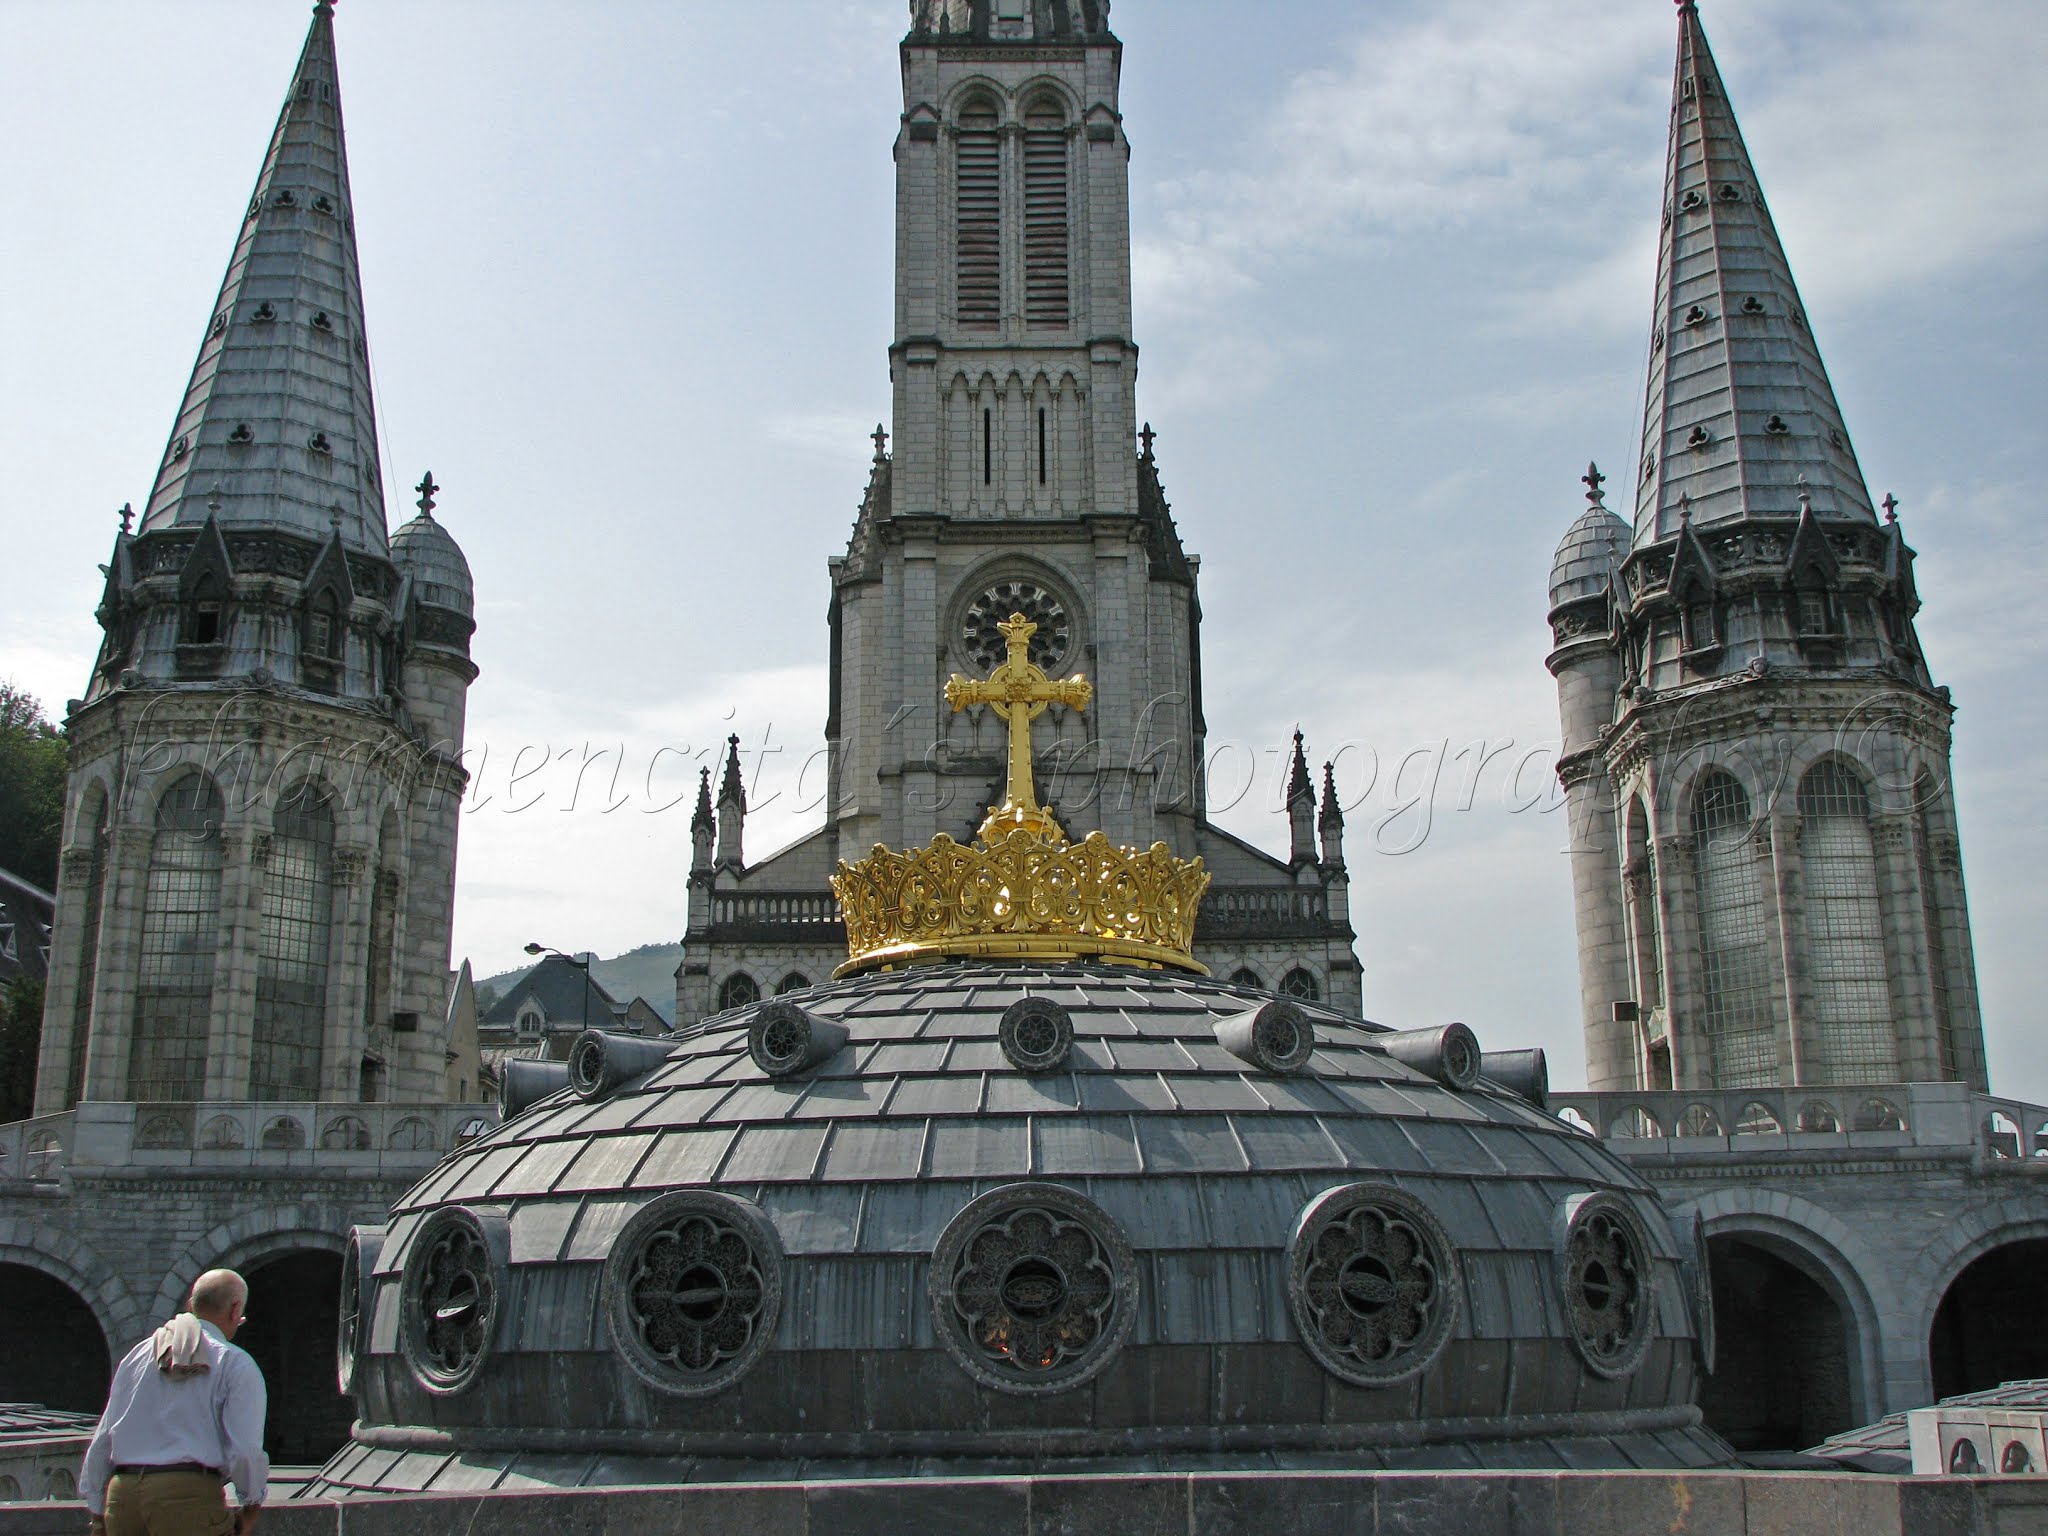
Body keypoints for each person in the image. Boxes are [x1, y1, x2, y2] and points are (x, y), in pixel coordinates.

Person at [79, 1269, 268, 1536]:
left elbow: (103, 1439)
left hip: (123, 1496)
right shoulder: (235, 1363)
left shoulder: (137, 1355)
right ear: (235, 1309)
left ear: (190, 1305)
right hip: (187, 1497)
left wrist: (98, 1514)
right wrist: (251, 1503)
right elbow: (245, 1450)